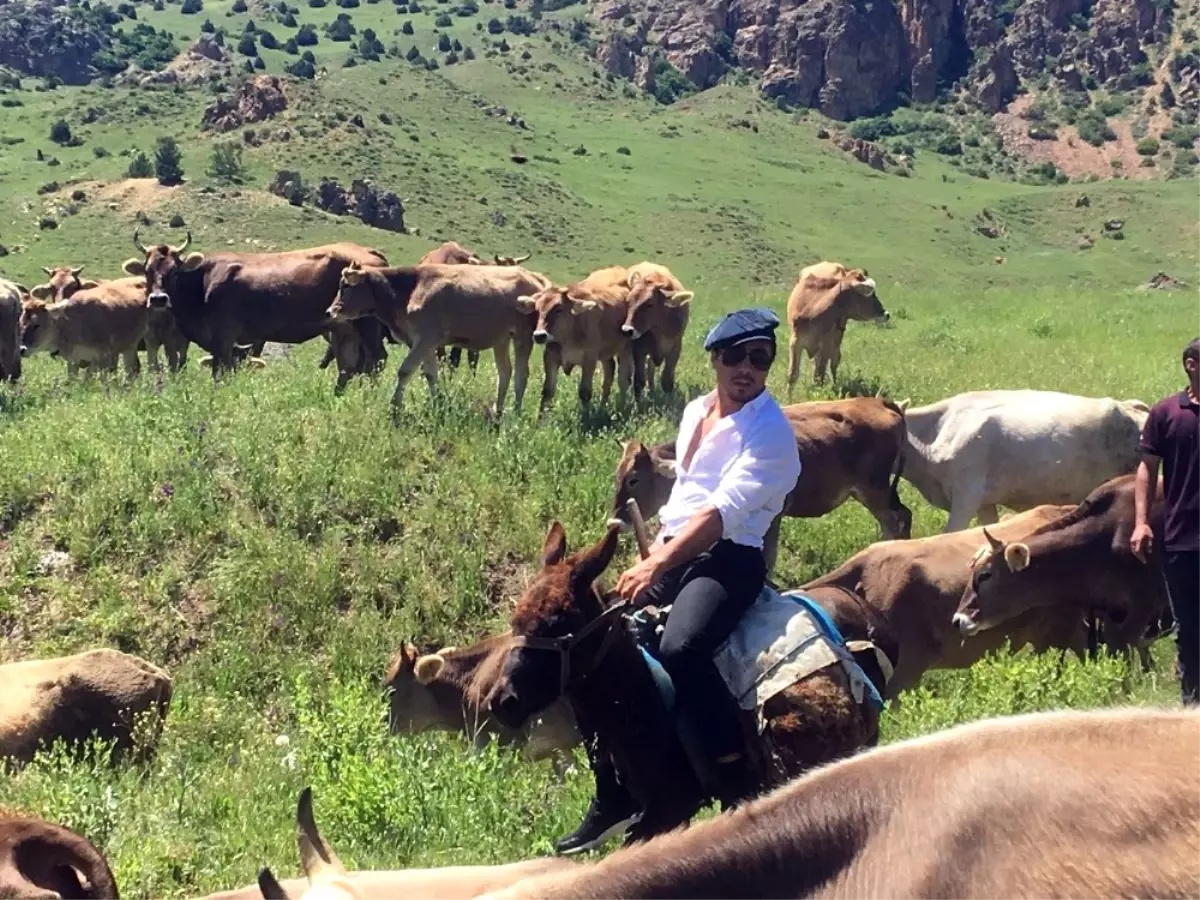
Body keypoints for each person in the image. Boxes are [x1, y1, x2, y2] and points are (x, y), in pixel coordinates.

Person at [554, 307, 802, 855]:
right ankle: (613, 791)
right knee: (597, 643)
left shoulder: (772, 437)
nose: (746, 368)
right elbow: (687, 494)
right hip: (675, 548)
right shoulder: (696, 411)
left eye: (759, 358)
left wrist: (655, 566)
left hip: (730, 557)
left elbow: (719, 515)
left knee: (683, 647)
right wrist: (658, 551)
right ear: (714, 359)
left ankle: (734, 779)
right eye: (734, 356)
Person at [1131, 336, 1200, 705]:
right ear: (1191, 364)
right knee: (1188, 630)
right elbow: (1146, 469)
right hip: (1183, 540)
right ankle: (1192, 713)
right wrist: (1141, 522)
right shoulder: (1165, 413)